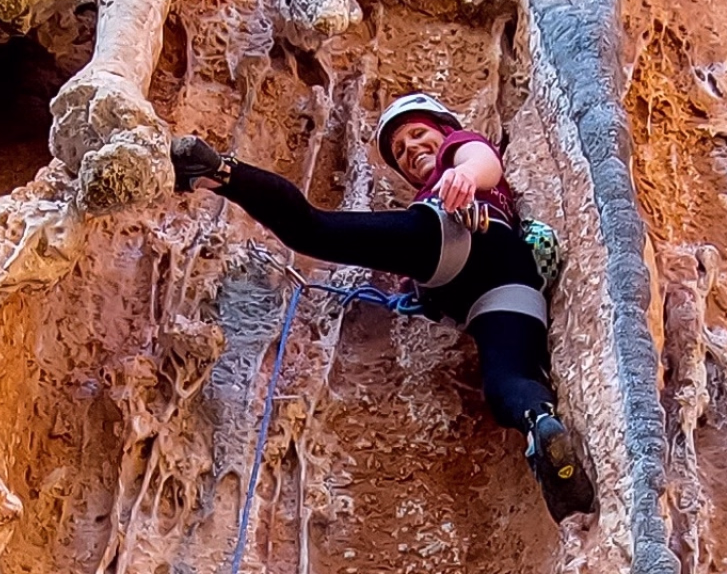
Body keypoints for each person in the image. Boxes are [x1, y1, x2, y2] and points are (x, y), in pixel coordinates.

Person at [172, 93, 595, 518]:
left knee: (313, 230)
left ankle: (216, 172)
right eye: (400, 151)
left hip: (453, 232)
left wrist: (463, 177)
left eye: (417, 134)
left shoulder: (458, 155)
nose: (411, 149)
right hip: (508, 282)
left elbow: (482, 159)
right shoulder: (456, 181)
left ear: (444, 131)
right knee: (508, 377)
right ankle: (540, 426)